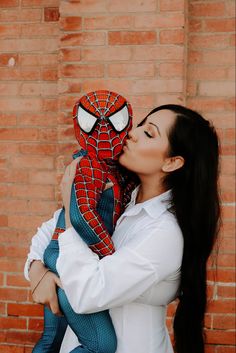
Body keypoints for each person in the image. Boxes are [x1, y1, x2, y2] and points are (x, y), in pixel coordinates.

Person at [25, 104, 220, 353]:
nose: (132, 133)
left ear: (172, 162)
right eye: (139, 125)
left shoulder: (164, 232)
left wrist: (72, 209)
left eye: (149, 133)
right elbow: (47, 233)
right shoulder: (118, 194)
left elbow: (89, 292)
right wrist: (37, 271)